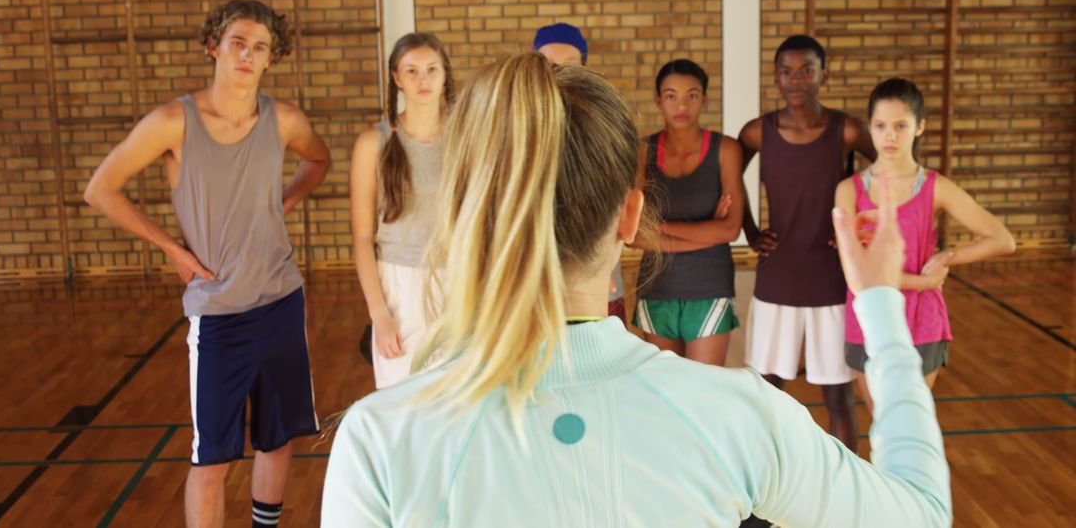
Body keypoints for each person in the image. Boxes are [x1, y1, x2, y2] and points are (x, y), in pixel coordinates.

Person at [321, 53, 951, 527]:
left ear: (461, 213)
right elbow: (919, 513)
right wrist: (881, 309)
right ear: (630, 218)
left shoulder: (381, 440)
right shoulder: (738, 415)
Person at [84, 0, 330, 527]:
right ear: (213, 46)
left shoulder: (283, 118)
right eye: (237, 42)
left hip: (282, 300)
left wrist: (278, 204)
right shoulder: (173, 121)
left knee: (278, 435)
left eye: (259, 47)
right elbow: (100, 189)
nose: (247, 54)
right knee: (212, 456)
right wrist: (174, 250)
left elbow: (319, 159)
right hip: (220, 313)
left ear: (272, 58)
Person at [836, 77, 1015, 412]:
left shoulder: (936, 187)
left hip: (922, 321)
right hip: (869, 319)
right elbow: (856, 273)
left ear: (920, 127)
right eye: (880, 125)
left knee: (911, 419)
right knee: (882, 427)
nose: (889, 135)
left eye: (900, 125)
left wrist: (948, 257)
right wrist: (925, 281)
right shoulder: (848, 190)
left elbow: (1002, 239)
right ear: (869, 129)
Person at [737, 34, 876, 450]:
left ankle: (845, 490)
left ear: (823, 75)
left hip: (831, 279)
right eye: (786, 72)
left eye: (806, 70)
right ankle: (764, 489)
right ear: (776, 78)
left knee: (838, 395)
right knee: (768, 390)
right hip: (777, 273)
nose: (795, 80)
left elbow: (892, 167)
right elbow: (728, 174)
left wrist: (861, 230)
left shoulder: (846, 130)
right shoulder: (758, 132)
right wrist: (750, 230)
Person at [351, 32, 454, 389]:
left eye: (431, 69)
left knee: (457, 400)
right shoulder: (374, 143)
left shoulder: (467, 136)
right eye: (411, 71)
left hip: (459, 277)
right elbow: (363, 238)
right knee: (402, 401)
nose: (422, 80)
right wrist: (379, 315)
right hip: (400, 286)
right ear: (396, 78)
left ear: (445, 75)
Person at [632, 59, 744, 366]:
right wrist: (708, 233)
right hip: (658, 286)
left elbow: (731, 230)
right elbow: (633, 233)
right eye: (671, 95)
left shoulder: (727, 150)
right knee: (663, 393)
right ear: (658, 100)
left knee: (705, 394)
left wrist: (659, 228)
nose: (682, 105)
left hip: (710, 285)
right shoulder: (643, 151)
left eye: (691, 95)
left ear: (704, 99)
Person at [533, 21, 629, 323]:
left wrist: (602, 263)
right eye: (550, 64)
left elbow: (615, 193)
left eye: (569, 64)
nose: (560, 72)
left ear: (585, 67)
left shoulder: (603, 119)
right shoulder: (523, 120)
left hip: (592, 260)